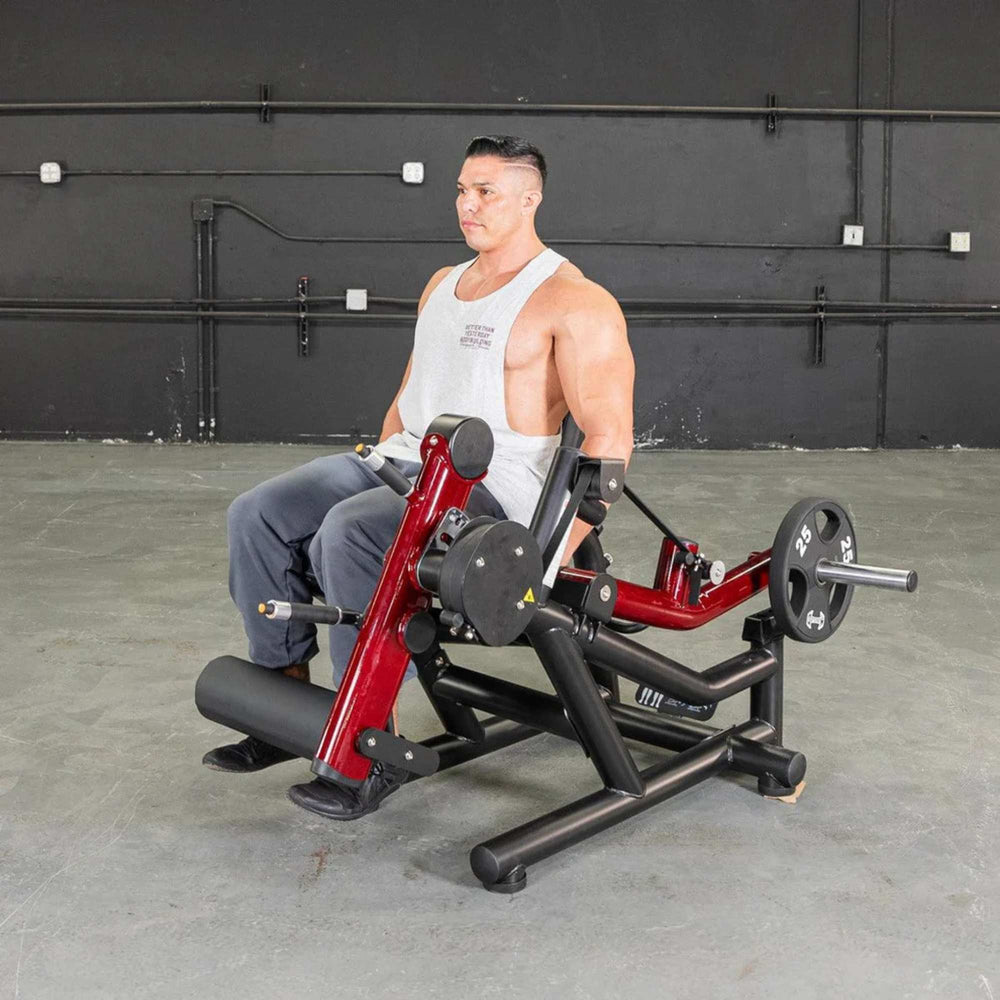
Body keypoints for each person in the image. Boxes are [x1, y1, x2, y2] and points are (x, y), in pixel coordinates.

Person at [203, 134, 635, 820]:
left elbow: (610, 443)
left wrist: (547, 557)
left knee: (347, 535)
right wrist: (378, 467)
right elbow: (409, 402)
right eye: (462, 190)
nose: (467, 205)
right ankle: (284, 704)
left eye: (485, 191)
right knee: (257, 514)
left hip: (494, 492)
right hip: (409, 462)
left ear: (531, 197)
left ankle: (366, 750)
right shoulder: (443, 284)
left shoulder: (575, 302)